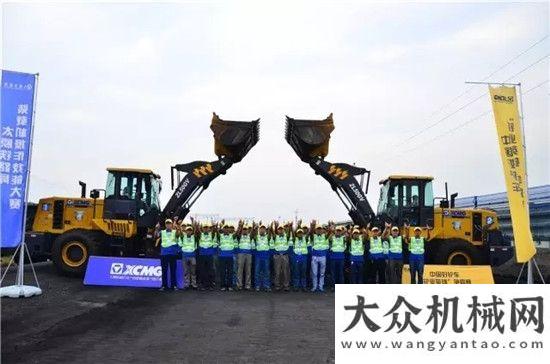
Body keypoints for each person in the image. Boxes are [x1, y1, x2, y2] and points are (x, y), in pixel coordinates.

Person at [156, 219, 180, 291]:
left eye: (169, 224)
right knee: (164, 271)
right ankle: (164, 286)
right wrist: (157, 228)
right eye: (167, 224)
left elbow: (180, 235)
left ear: (172, 224)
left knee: (173, 271)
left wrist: (177, 225)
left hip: (173, 254)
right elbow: (156, 235)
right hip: (164, 254)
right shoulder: (162, 232)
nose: (168, 225)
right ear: (165, 225)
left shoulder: (175, 232)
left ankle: (174, 285)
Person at [197, 222, 217, 290]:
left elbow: (214, 231)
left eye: (207, 228)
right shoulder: (200, 234)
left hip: (209, 255)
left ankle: (210, 285)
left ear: (209, 229)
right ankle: (203, 285)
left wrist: (214, 226)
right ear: (202, 229)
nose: (206, 229)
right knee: (202, 271)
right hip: (202, 255)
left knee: (210, 270)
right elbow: (196, 230)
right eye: (204, 228)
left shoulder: (211, 234)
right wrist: (196, 225)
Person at [311, 223, 329, 292]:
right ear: (315, 230)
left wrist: (329, 227)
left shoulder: (325, 236)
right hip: (315, 257)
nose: (319, 231)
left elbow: (330, 232)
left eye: (320, 229)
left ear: (322, 230)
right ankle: (314, 287)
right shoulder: (313, 236)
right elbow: (311, 232)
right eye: (317, 229)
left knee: (322, 273)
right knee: (314, 273)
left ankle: (321, 286)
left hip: (322, 257)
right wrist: (312, 226)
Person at [272, 223, 291, 291]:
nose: (280, 231)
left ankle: (286, 286)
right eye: (279, 230)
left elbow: (289, 233)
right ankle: (277, 285)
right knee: (277, 271)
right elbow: (272, 232)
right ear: (277, 231)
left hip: (285, 255)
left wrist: (289, 227)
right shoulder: (275, 237)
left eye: (282, 229)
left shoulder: (286, 236)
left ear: (283, 230)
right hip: (277, 256)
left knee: (285, 271)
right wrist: (273, 226)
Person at [179, 223, 197, 290]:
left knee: (193, 271)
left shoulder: (195, 237)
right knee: (186, 271)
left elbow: (197, 230)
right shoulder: (182, 237)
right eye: (188, 230)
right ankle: (186, 284)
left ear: (192, 231)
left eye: (190, 230)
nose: (189, 231)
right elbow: (180, 232)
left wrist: (193, 222)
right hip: (185, 256)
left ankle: (194, 284)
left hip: (192, 257)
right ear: (185, 231)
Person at [218, 223, 236, 291]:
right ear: (222, 229)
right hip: (222, 256)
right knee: (222, 271)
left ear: (229, 229)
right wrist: (217, 226)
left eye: (227, 228)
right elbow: (215, 232)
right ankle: (223, 285)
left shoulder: (232, 236)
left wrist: (240, 226)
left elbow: (238, 233)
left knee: (230, 271)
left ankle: (230, 286)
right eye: (224, 228)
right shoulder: (220, 236)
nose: (226, 229)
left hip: (230, 256)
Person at [254, 223, 272, 291]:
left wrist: (270, 228)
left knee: (266, 272)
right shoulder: (257, 237)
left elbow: (270, 234)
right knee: (257, 271)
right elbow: (253, 234)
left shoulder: (267, 237)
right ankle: (257, 285)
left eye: (263, 229)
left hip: (266, 255)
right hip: (258, 255)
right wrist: (255, 228)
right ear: (259, 230)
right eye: (261, 229)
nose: (262, 230)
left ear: (265, 230)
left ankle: (266, 286)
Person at [236, 224, 254, 290]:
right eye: (244, 230)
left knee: (248, 270)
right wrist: (240, 226)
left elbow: (252, 232)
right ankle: (239, 285)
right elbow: (238, 233)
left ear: (247, 231)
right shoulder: (240, 236)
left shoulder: (250, 236)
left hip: (248, 254)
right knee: (240, 270)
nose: (245, 231)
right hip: (241, 254)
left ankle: (247, 285)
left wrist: (253, 227)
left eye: (246, 230)